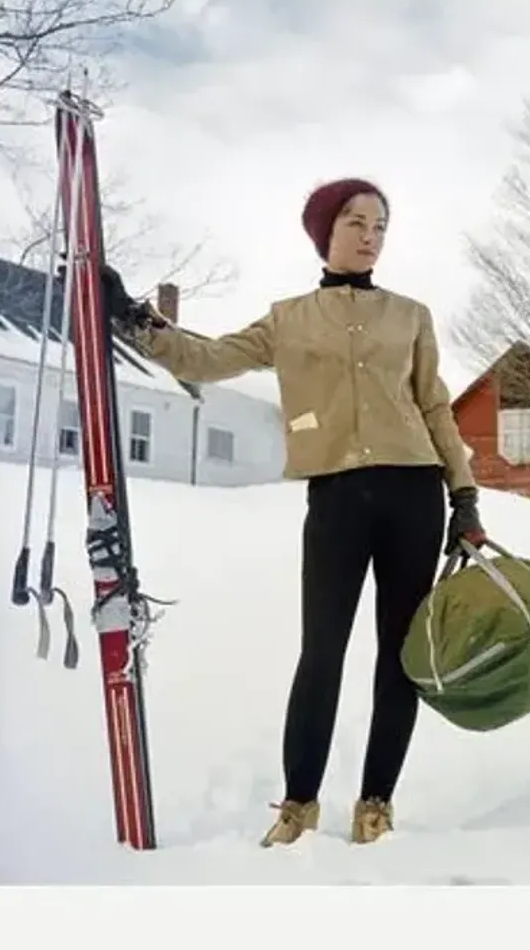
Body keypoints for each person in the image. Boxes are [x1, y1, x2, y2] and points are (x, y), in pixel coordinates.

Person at [95, 177, 486, 848]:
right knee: (321, 651)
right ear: (325, 231)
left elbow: (433, 406)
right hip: (334, 498)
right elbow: (208, 357)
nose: (371, 236)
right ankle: (299, 802)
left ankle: (376, 803)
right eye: (357, 222)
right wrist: (133, 318)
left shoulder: (411, 315)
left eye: (381, 226)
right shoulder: (288, 317)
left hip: (413, 494)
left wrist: (465, 495)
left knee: (400, 656)